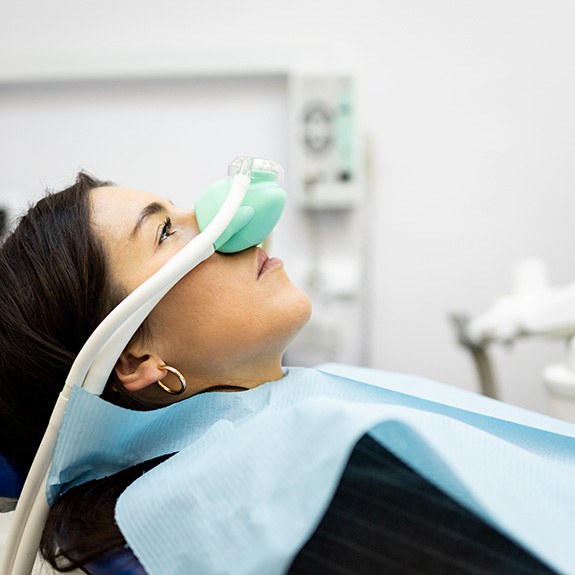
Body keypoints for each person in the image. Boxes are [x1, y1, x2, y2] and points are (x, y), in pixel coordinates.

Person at [0, 172, 567, 574]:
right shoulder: (280, 491)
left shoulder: (296, 421)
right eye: (165, 232)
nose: (230, 220)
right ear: (134, 359)